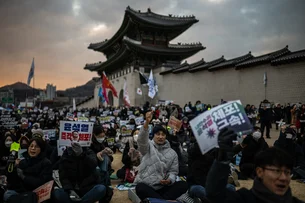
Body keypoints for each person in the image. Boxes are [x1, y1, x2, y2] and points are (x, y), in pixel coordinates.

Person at [205, 128, 304, 203]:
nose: (283, 178)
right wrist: (222, 160)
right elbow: (214, 195)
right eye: (277, 171)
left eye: (287, 172)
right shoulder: (244, 199)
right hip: (247, 165)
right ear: (260, 172)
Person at [135, 111, 188, 201]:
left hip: (164, 187)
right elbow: (141, 140)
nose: (160, 137)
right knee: (140, 187)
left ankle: (157, 201)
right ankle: (163, 201)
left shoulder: (172, 153)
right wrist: (146, 123)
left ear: (166, 136)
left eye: (163, 135)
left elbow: (173, 172)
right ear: (153, 135)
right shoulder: (147, 147)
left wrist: (169, 180)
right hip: (148, 186)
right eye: (158, 134)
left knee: (183, 185)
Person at [3, 137, 52, 202]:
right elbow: (14, 182)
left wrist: (24, 177)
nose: (33, 148)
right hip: (23, 192)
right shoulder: (23, 162)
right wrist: (11, 168)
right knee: (7, 194)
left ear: (41, 149)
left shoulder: (46, 163)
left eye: (36, 146)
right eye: (31, 146)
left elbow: (41, 182)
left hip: (38, 193)